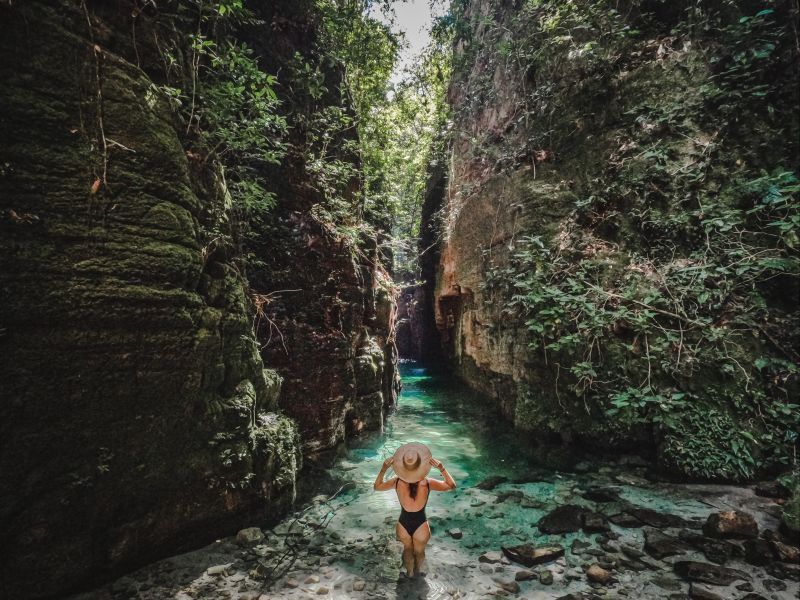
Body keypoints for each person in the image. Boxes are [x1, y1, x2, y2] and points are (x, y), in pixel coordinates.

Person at [373, 442, 457, 577]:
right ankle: (418, 572)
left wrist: (383, 469)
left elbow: (377, 487)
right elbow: (451, 485)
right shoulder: (428, 482)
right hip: (421, 524)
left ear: (404, 466)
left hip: (403, 523)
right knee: (419, 552)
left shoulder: (397, 482)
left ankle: (409, 574)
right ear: (420, 466)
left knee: (407, 550)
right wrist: (442, 469)